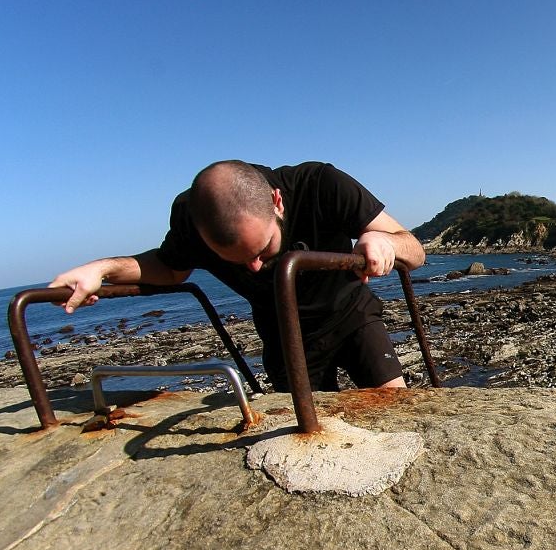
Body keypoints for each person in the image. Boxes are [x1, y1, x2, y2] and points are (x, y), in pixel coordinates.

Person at [50, 160, 426, 392]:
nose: (256, 268)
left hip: (351, 315)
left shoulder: (321, 185)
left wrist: (381, 240)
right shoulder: (193, 217)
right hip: (284, 336)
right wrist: (102, 269)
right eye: (236, 260)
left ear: (277, 202)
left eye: (263, 250)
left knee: (395, 404)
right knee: (304, 430)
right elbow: (171, 268)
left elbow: (415, 250)